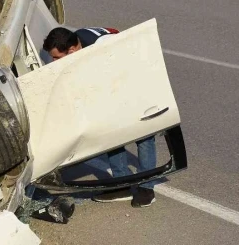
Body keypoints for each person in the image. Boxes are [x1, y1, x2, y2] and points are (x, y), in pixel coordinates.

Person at [42, 26, 157, 208]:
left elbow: (128, 65)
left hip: (134, 81)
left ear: (71, 50)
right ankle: (121, 185)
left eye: (56, 57)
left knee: (144, 136)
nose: (53, 61)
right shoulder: (77, 42)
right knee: (112, 136)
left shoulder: (102, 48)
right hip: (111, 86)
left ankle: (147, 189)